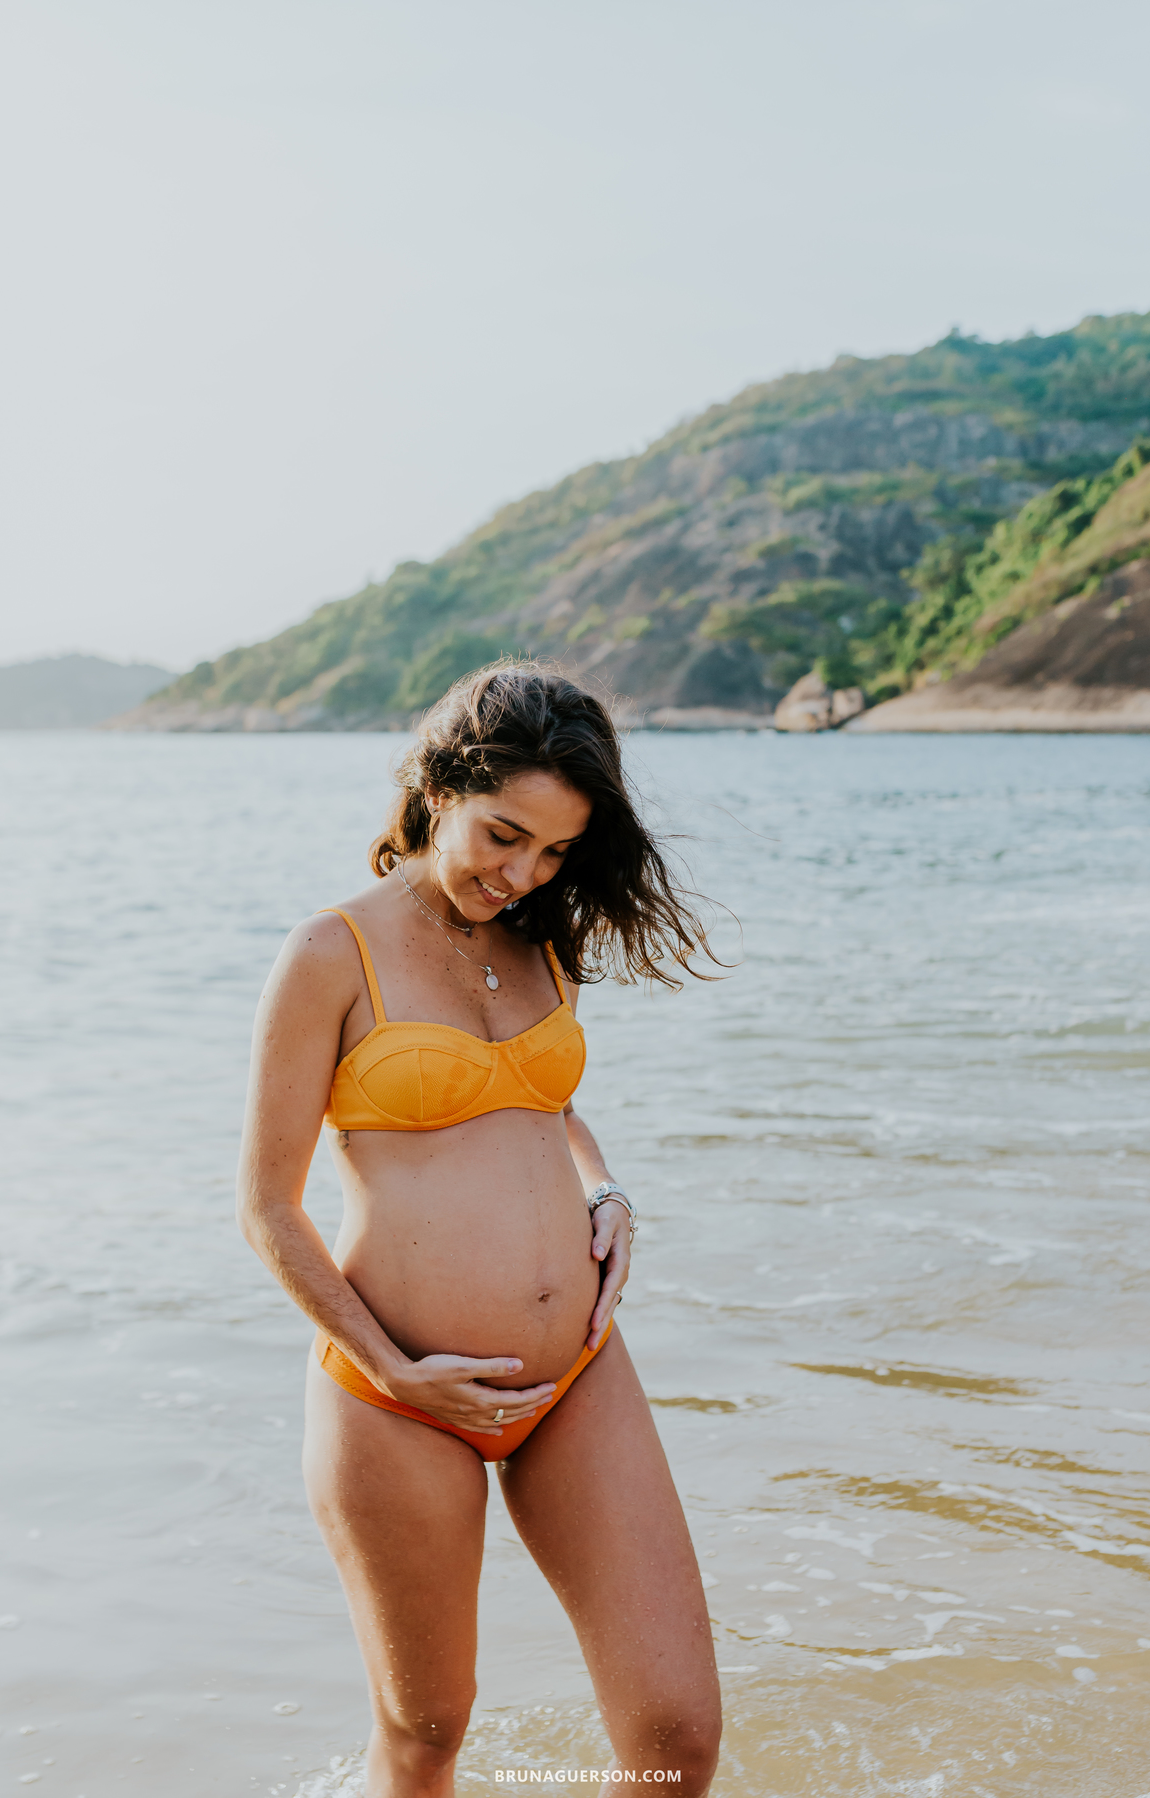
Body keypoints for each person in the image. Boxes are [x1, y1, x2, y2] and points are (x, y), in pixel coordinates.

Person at [237, 664, 722, 1798]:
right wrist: (398, 1368)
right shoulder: (330, 953)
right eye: (504, 835)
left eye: (553, 852)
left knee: (676, 1743)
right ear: (438, 784)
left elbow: (539, 1099)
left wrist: (606, 1192)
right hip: (399, 1396)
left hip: (578, 1377)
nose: (522, 874)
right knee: (426, 1737)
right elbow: (265, 1205)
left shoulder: (535, 939)